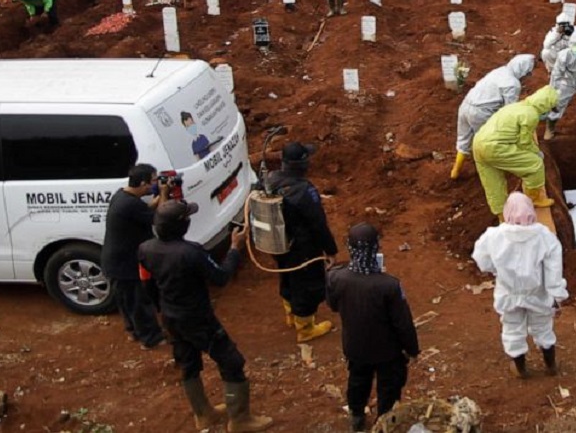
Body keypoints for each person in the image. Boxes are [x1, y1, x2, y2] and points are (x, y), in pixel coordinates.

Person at [138, 201, 273, 432]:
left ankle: (203, 415)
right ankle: (240, 420)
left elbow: (147, 283)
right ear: (183, 225)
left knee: (188, 364)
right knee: (232, 362)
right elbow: (220, 278)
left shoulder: (145, 248)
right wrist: (234, 248)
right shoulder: (191, 252)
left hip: (170, 317)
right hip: (197, 318)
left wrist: (162, 307)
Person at [326, 223, 420, 432]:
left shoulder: (335, 277)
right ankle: (383, 423)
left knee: (358, 381)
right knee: (389, 387)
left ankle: (357, 416)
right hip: (387, 352)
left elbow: (333, 305)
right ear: (376, 247)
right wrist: (412, 349)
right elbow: (402, 322)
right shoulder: (389, 285)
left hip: (355, 347)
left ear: (349, 248)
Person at [472, 192, 568, 378]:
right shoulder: (544, 236)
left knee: (512, 329)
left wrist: (497, 270)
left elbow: (481, 260)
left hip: (508, 293)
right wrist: (557, 295)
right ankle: (550, 366)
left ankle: (520, 369)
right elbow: (553, 269)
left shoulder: (494, 236)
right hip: (537, 293)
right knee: (543, 328)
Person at [265, 141, 338, 343]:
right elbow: (318, 224)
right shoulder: (304, 191)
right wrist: (330, 250)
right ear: (302, 164)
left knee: (287, 277)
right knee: (306, 286)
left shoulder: (270, 180)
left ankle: (291, 315)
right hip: (302, 248)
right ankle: (305, 329)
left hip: (279, 244)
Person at [102, 164, 168, 349]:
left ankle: (132, 331)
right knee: (138, 302)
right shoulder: (130, 204)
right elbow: (160, 218)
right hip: (125, 265)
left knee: (126, 301)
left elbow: (144, 210)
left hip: (116, 262)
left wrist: (155, 200)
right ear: (142, 183)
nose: (155, 185)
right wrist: (163, 194)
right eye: (153, 182)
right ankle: (151, 339)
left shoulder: (122, 196)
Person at [473, 85, 559, 216]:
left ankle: (502, 215)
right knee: (534, 165)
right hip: (495, 147)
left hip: (478, 143)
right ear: (545, 105)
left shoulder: (516, 106)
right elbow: (524, 142)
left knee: (493, 184)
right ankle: (534, 199)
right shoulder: (531, 114)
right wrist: (536, 152)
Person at [452, 54, 537, 180]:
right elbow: (509, 111)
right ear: (522, 71)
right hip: (480, 113)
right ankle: (491, 170)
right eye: (528, 74)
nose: (527, 77)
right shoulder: (513, 84)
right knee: (489, 141)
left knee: (464, 139)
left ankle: (455, 171)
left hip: (465, 106)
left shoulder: (500, 71)